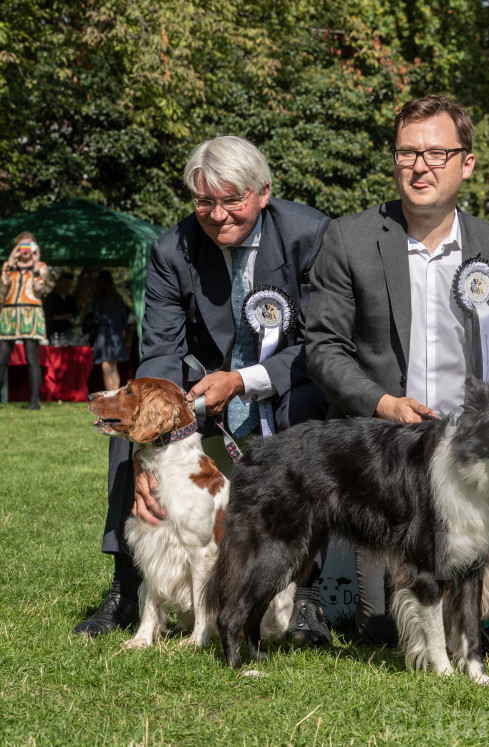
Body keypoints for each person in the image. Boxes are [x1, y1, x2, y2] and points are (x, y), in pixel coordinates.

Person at [74, 136, 334, 645]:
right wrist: (152, 439)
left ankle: (305, 596)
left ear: (263, 192)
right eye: (204, 201)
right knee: (123, 430)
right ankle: (127, 585)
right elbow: (160, 353)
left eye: (232, 198)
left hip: (281, 388)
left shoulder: (310, 234)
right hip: (198, 398)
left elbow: (319, 343)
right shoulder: (172, 249)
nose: (217, 214)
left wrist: (242, 380)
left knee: (307, 412)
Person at [306, 94, 489, 643]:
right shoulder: (349, 238)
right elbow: (322, 347)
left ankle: (477, 625)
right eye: (408, 154)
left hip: (470, 450)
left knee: (486, 632)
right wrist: (383, 404)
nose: (420, 166)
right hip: (389, 450)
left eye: (436, 153)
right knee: (383, 628)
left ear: (466, 163)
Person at [0, 233, 51, 410]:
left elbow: (40, 286)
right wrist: (10, 259)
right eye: (22, 247)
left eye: (28, 246)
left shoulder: (41, 267)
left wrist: (36, 264)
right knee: (2, 358)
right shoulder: (9, 266)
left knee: (32, 358)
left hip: (31, 313)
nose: (25, 251)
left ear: (35, 248)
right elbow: (3, 285)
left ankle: (34, 402)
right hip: (9, 314)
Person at [87, 271, 130, 391]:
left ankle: (111, 396)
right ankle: (115, 394)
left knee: (105, 367)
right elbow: (124, 321)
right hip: (116, 336)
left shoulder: (97, 298)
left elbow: (95, 316)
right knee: (113, 367)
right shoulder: (119, 298)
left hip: (103, 335)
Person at [43, 271, 79, 345]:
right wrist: (61, 317)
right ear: (59, 284)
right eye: (65, 285)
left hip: (68, 333)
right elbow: (47, 316)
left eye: (70, 286)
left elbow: (75, 313)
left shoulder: (70, 299)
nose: (68, 288)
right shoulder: (51, 298)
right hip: (54, 332)